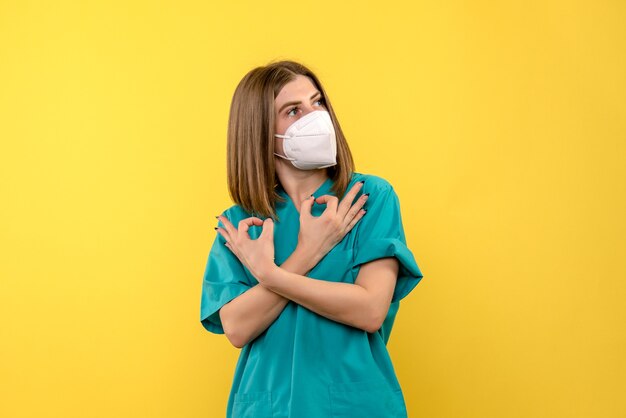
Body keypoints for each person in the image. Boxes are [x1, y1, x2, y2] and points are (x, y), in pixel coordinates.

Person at [200, 60, 424, 418]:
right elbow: (237, 327)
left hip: (354, 406)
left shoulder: (368, 198)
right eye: (293, 110)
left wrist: (271, 275)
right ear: (259, 132)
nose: (315, 116)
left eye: (317, 102)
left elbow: (370, 309)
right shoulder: (242, 222)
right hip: (267, 406)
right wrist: (307, 252)